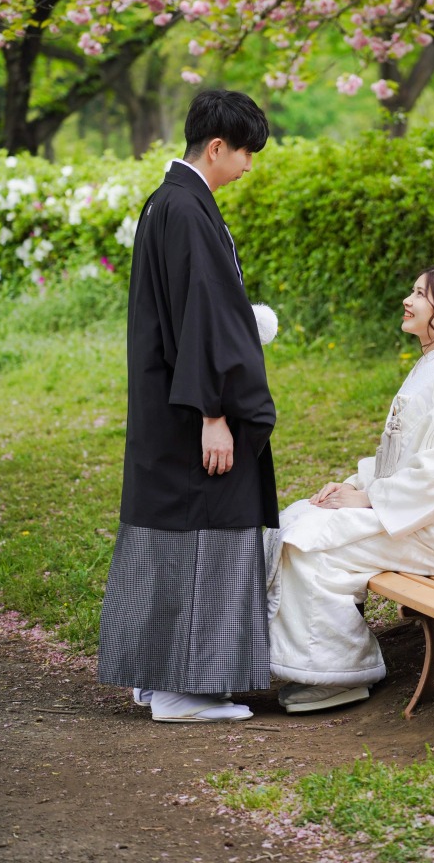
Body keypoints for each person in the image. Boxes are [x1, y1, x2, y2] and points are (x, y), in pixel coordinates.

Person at [98, 90, 278, 723]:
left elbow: (193, 314)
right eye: (246, 153)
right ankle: (184, 690)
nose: (248, 167)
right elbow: (199, 317)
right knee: (206, 538)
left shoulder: (167, 203)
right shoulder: (188, 208)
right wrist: (214, 414)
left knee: (168, 539)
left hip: (164, 402)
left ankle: (156, 677)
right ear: (217, 147)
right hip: (191, 413)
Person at [265, 266, 434, 714]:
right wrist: (354, 485)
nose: (408, 299)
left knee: (310, 547)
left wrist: (369, 499)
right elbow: (398, 455)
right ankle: (307, 660)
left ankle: (341, 673)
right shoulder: (432, 366)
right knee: (299, 517)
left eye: (420, 294)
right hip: (411, 513)